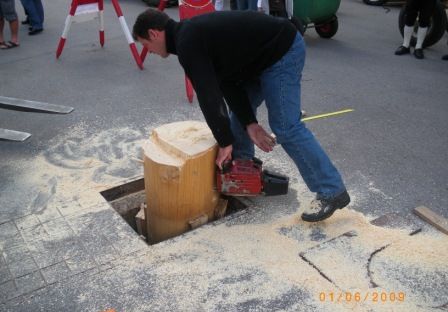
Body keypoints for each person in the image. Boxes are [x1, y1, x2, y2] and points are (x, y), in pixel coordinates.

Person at [132, 9, 350, 222]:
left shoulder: (187, 42)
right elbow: (226, 82)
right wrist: (249, 123)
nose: (148, 50)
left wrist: (225, 142)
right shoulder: (190, 36)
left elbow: (209, 95)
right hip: (257, 59)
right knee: (239, 115)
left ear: (154, 33)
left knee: (286, 127)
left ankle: (331, 190)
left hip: (281, 50)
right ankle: (243, 172)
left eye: (145, 44)